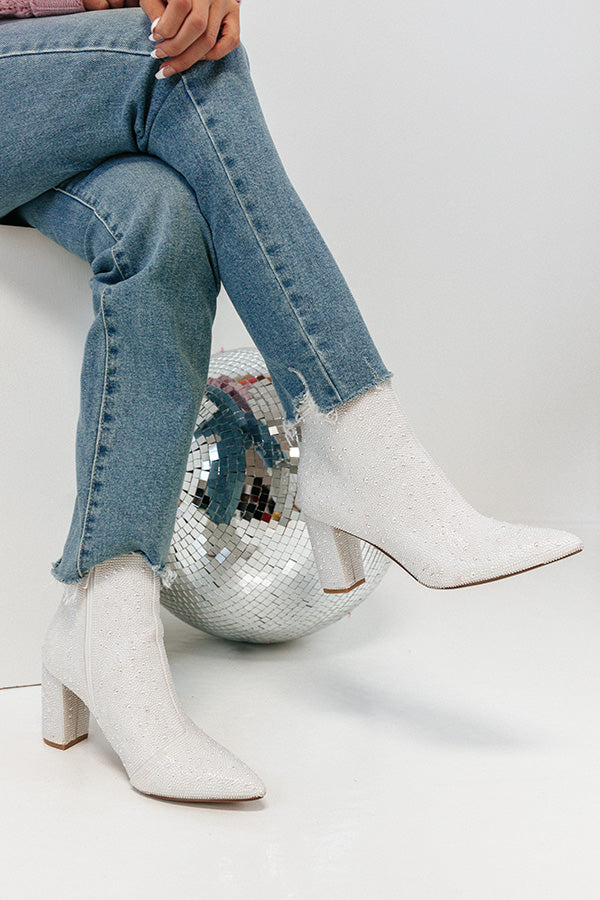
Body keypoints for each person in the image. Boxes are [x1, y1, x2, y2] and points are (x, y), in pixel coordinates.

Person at [0, 1, 583, 803]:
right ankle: (355, 437)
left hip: (45, 91)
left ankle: (105, 624)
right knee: (178, 63)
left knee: (163, 222)